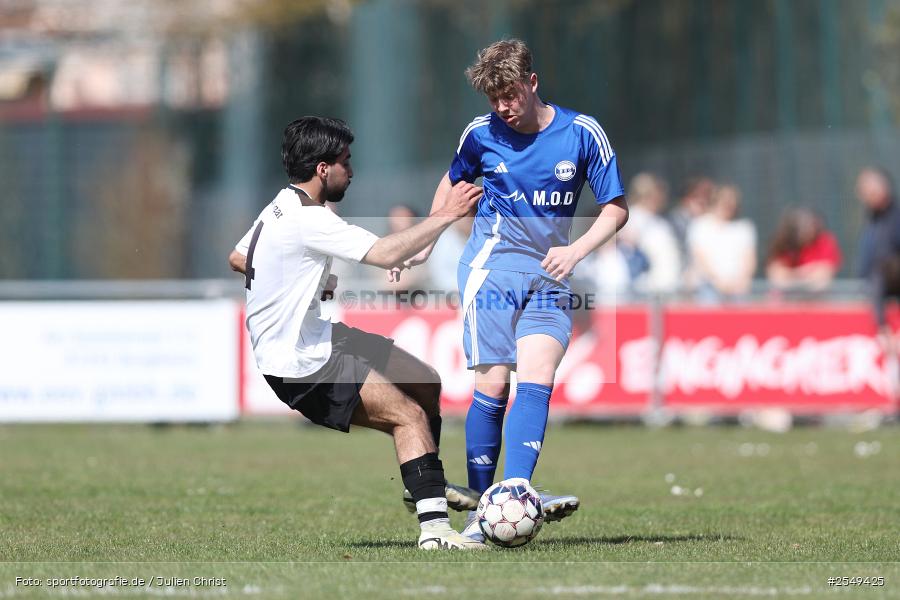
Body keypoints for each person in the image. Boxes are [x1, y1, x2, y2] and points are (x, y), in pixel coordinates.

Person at [401, 39, 628, 542]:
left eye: (510, 94)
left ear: (532, 82)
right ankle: (481, 514)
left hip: (552, 271)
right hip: (492, 267)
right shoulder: (481, 134)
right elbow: (452, 183)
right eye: (493, 98)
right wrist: (425, 240)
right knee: (493, 384)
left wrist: (576, 251)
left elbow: (615, 207)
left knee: (539, 374)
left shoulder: (583, 133)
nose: (502, 106)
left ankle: (517, 490)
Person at [228, 116, 485, 550]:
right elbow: (385, 254)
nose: (352, 169)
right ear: (323, 169)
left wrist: (303, 280)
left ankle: (418, 481)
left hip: (317, 337)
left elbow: (238, 257)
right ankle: (436, 531)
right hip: (301, 362)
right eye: (346, 161)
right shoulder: (310, 219)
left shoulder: (280, 205)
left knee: (425, 381)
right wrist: (445, 214)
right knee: (409, 415)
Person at [687, 184, 757, 303]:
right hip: (709, 290)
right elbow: (701, 258)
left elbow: (749, 260)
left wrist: (740, 283)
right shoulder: (700, 225)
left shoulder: (744, 227)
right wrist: (719, 282)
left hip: (738, 291)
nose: (729, 206)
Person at [857, 166, 900, 337]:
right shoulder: (873, 219)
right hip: (877, 292)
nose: (867, 194)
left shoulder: (895, 217)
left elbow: (882, 268)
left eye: (871, 188)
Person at [625, 173, 681, 295]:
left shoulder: (660, 221)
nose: (662, 198)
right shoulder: (632, 217)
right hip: (645, 289)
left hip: (667, 286)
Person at [766, 207, 842, 297]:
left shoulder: (825, 241)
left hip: (818, 301)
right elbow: (777, 278)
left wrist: (791, 275)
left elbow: (822, 280)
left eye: (808, 225)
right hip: (787, 303)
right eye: (801, 226)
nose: (806, 230)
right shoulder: (784, 244)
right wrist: (806, 272)